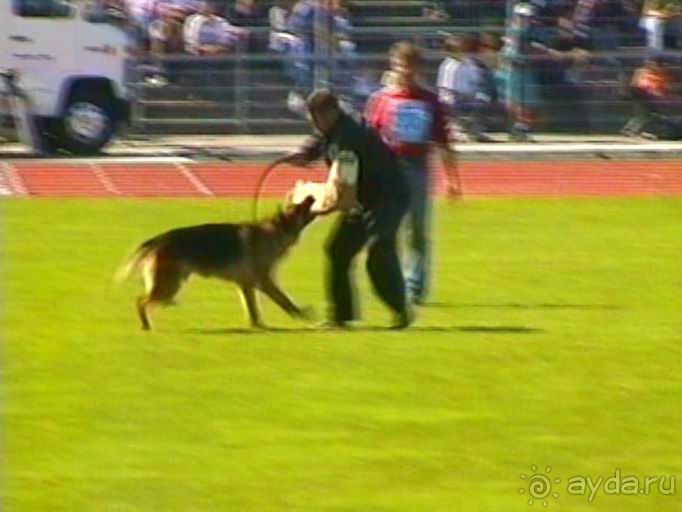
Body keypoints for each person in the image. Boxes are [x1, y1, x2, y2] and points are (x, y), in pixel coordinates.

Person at [266, 90, 413, 329]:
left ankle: (400, 310)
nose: (316, 124)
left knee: (379, 251)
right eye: (312, 119)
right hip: (362, 198)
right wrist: (305, 153)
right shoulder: (332, 129)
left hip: (387, 197)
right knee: (338, 250)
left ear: (332, 113)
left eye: (319, 119)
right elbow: (320, 140)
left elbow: (344, 192)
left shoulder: (349, 139)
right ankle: (342, 317)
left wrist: (316, 208)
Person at [364, 41, 459, 305]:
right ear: (393, 67)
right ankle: (391, 282)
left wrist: (451, 179)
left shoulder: (430, 101)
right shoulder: (382, 100)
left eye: (409, 67)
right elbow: (369, 138)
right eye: (399, 66)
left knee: (417, 228)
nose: (404, 71)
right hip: (389, 170)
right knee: (386, 230)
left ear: (417, 69)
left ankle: (415, 286)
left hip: (417, 166)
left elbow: (443, 141)